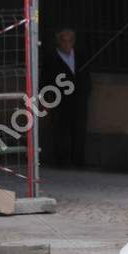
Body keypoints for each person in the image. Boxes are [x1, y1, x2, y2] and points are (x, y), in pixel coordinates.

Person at [41, 27, 91, 168]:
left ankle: (78, 160)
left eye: (70, 41)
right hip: (60, 99)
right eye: (64, 41)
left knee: (79, 129)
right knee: (60, 130)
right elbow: (45, 80)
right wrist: (47, 98)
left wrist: (85, 93)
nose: (67, 44)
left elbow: (86, 77)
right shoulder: (52, 58)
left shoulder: (80, 55)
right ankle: (61, 160)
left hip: (78, 99)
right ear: (59, 42)